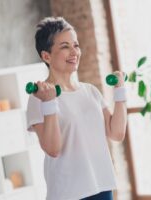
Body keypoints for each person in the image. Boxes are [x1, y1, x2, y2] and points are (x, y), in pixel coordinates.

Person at [26, 16, 127, 200]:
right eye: (65, 46)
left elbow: (116, 133)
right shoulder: (38, 98)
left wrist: (120, 92)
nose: (74, 52)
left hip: (101, 185)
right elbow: (53, 149)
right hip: (69, 193)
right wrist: (49, 102)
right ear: (46, 56)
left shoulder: (90, 91)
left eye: (76, 45)